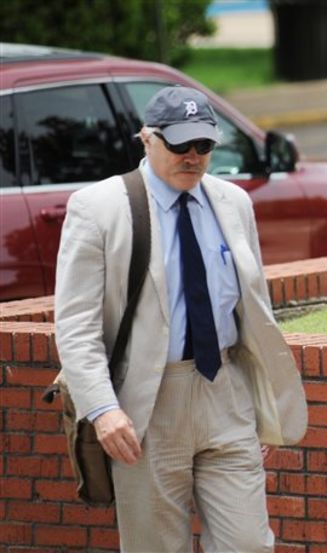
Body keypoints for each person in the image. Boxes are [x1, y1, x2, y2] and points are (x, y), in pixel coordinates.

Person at [54, 85, 307, 552]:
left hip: (225, 391)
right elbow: (75, 326)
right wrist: (103, 409)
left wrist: (257, 401)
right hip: (145, 404)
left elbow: (253, 308)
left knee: (249, 544)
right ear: (146, 138)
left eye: (204, 145)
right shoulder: (99, 208)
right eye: (180, 145)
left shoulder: (233, 202)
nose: (193, 156)